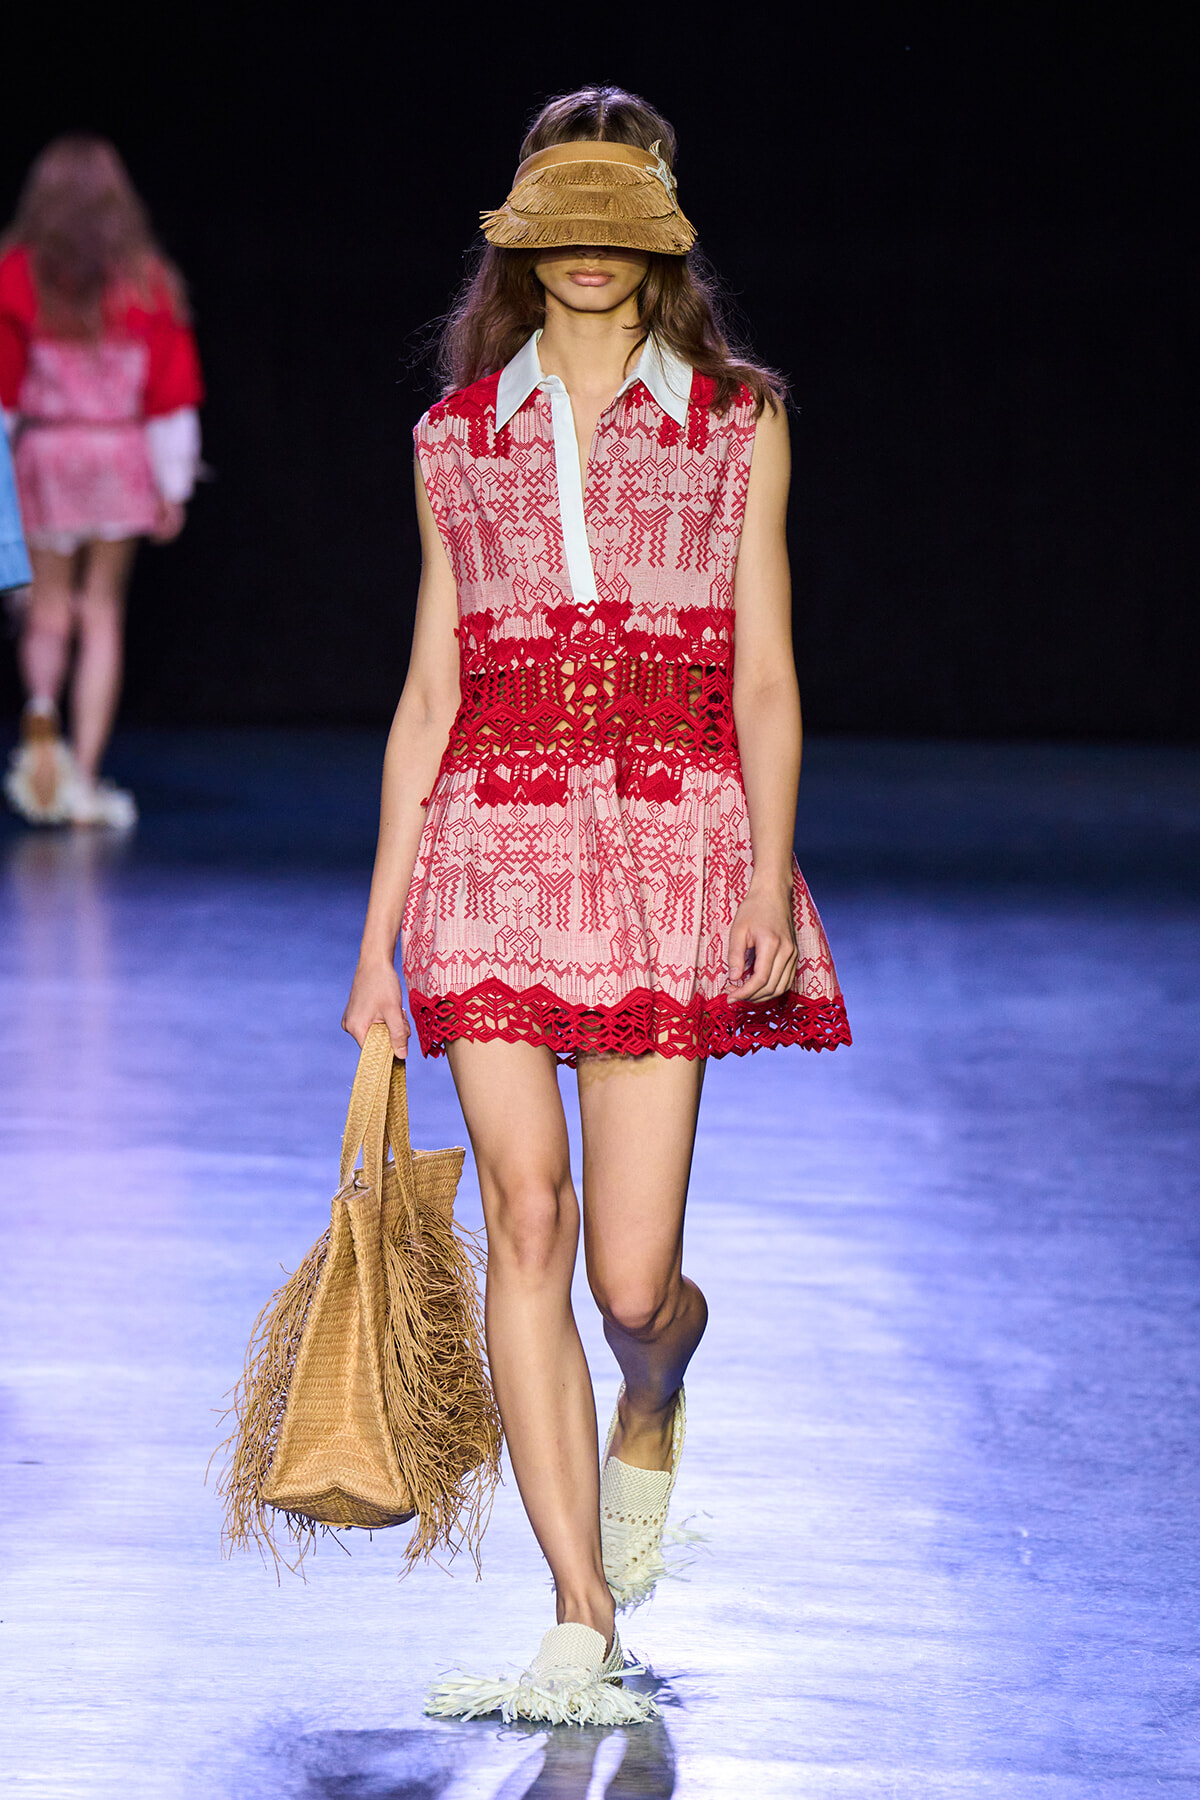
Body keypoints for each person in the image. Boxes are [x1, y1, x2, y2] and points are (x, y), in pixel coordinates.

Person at [342, 86, 851, 1725]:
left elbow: (765, 675)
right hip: (487, 855)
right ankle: (578, 1614)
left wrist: (768, 866)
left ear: (662, 228)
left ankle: (659, 1384)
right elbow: (431, 694)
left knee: (632, 1285)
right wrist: (377, 944)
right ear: (523, 230)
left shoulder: (736, 420)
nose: (587, 251)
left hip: (667, 858)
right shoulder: (455, 441)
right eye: (559, 217)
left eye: (617, 216)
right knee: (529, 1222)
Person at [0, 134, 203, 827]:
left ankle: (39, 711)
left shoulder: (16, 276)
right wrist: (172, 486)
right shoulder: (147, 281)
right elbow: (170, 395)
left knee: (46, 607)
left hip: (47, 456)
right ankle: (82, 775)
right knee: (102, 613)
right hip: (117, 456)